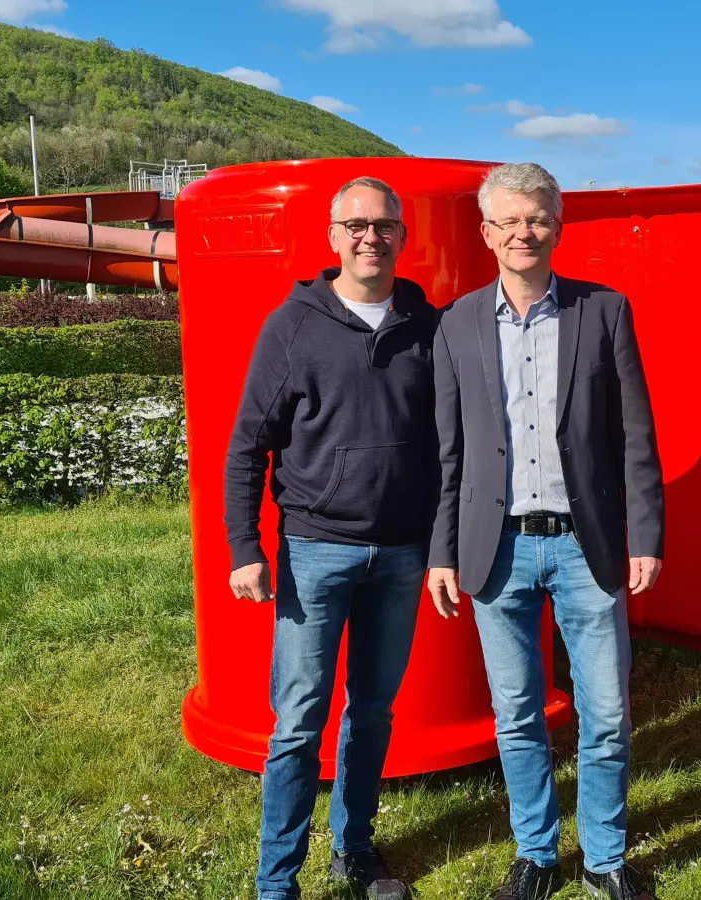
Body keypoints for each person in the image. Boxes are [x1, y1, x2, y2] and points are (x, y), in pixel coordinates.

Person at [426, 163, 665, 900]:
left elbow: (635, 436)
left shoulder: (605, 312)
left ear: (556, 227)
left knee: (608, 712)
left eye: (536, 219)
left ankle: (604, 858)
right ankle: (536, 853)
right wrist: (440, 552)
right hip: (493, 549)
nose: (523, 233)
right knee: (517, 712)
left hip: (584, 546)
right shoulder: (457, 323)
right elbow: (449, 451)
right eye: (508, 221)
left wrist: (645, 534)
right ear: (486, 233)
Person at [226, 176, 437, 900]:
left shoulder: (426, 326)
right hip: (314, 549)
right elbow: (249, 444)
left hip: (404, 553)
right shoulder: (293, 325)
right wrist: (244, 547)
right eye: (355, 224)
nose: (369, 237)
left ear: (402, 237)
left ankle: (354, 848)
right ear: (332, 236)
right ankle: (275, 881)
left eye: (383, 225)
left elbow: (451, 445)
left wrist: (442, 544)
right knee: (298, 720)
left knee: (373, 710)